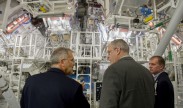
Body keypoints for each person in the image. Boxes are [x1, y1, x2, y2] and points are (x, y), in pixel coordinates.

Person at [20, 47, 90, 108]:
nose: (73, 63)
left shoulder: (30, 81)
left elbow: (23, 104)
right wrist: (78, 91)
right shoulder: (73, 86)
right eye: (71, 60)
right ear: (62, 62)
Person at [99, 39, 155, 108]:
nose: (108, 57)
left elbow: (107, 104)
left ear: (117, 50)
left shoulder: (113, 70)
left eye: (109, 52)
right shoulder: (146, 72)